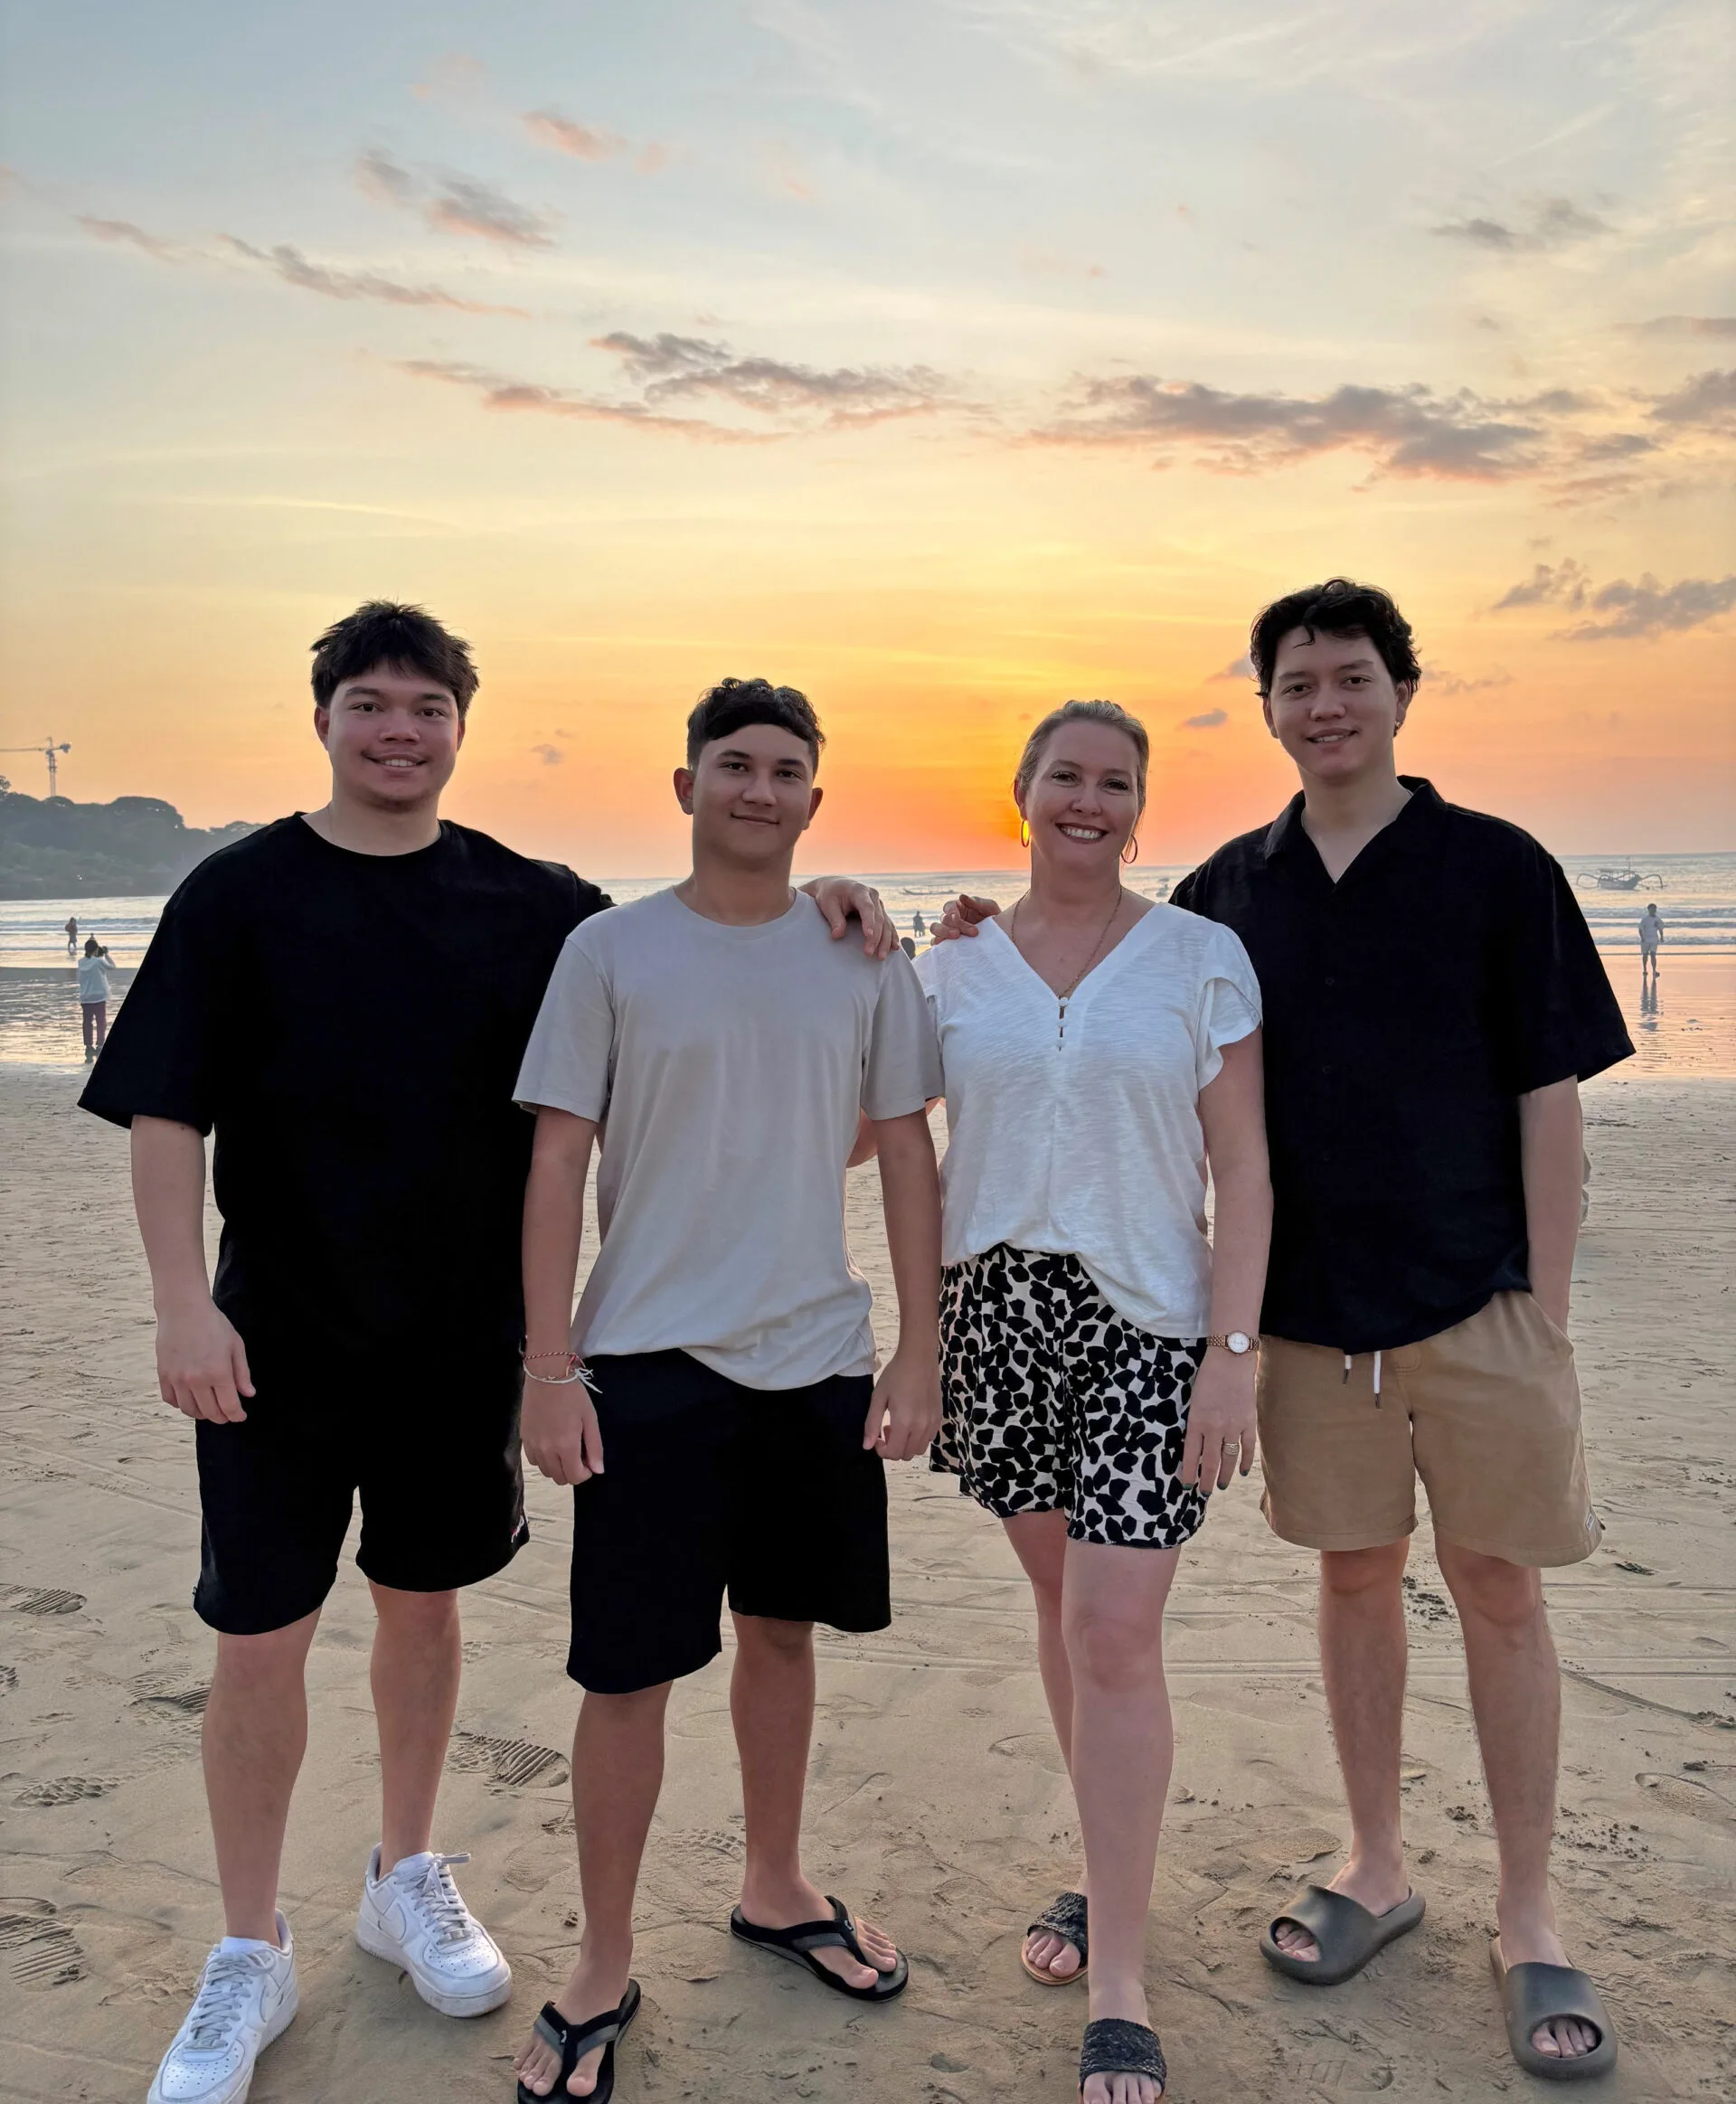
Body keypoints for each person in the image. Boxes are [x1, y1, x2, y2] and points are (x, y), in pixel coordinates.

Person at [80, 610, 892, 2104]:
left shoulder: (533, 906)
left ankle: (405, 1875)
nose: (400, 731)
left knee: (423, 1609)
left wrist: (820, 897)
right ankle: (249, 1947)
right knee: (257, 1632)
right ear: (324, 718)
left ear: (463, 725)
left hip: (462, 1344)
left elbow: (696, 931)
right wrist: (178, 1304)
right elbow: (162, 1113)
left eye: (427, 708)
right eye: (371, 706)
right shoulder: (238, 894)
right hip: (273, 1340)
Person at [940, 582, 1632, 2082]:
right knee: (1356, 1578)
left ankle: (1529, 1910)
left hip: (1482, 1300)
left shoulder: (1497, 868)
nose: (1327, 704)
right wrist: (948, 938)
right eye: (1299, 683)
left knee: (1501, 1589)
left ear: (1400, 692)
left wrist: (1547, 1307)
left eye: (1352, 678)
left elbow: (1551, 1100)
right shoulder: (1224, 895)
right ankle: (1376, 1865)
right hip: (1307, 1321)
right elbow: (1095, 990)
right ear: (1263, 706)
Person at [509, 676, 943, 2104]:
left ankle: (775, 1885)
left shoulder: (864, 954)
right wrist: (550, 1368)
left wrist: (919, 1346)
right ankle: (600, 1959)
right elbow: (559, 1162)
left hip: (813, 1358)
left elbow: (904, 1147)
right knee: (625, 1675)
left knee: (782, 1635)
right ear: (685, 785)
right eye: (734, 765)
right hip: (642, 1362)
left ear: (818, 798)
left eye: (786, 771)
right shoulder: (611, 952)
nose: (759, 789)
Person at [906, 700, 1269, 2104]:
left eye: (1116, 783)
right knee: (1066, 1618)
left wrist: (1231, 1349)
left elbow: (1242, 1166)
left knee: (1117, 1628)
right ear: (1019, 793)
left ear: (1138, 807)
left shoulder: (1198, 958)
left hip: (1153, 1322)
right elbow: (906, 1158)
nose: (1090, 800)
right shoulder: (953, 974)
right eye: (1066, 776)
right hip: (998, 1314)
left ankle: (1121, 1975)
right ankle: (1101, 1872)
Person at [78, 935, 119, 1057]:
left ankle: (88, 1046)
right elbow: (112, 966)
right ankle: (100, 1045)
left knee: (87, 1022)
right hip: (99, 997)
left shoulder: (81, 962)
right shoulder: (98, 961)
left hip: (85, 997)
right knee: (101, 1022)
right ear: (96, 950)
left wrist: (98, 954)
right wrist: (106, 954)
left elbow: (90, 962)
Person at [1638, 901, 1663, 978]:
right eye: (1652, 909)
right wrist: (1642, 938)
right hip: (1645, 940)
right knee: (1645, 955)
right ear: (1648, 910)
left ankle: (1654, 971)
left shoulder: (1658, 919)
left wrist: (1662, 937)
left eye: (1655, 909)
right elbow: (1640, 929)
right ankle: (1645, 970)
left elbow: (1660, 929)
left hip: (1654, 940)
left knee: (1653, 954)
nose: (1653, 911)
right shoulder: (1645, 919)